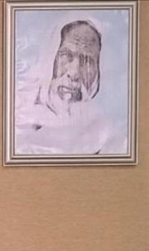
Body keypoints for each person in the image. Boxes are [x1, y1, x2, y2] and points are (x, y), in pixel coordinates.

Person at [14, 19, 125, 155]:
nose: (74, 73)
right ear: (50, 58)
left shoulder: (108, 137)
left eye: (87, 61)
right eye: (66, 55)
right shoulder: (19, 119)